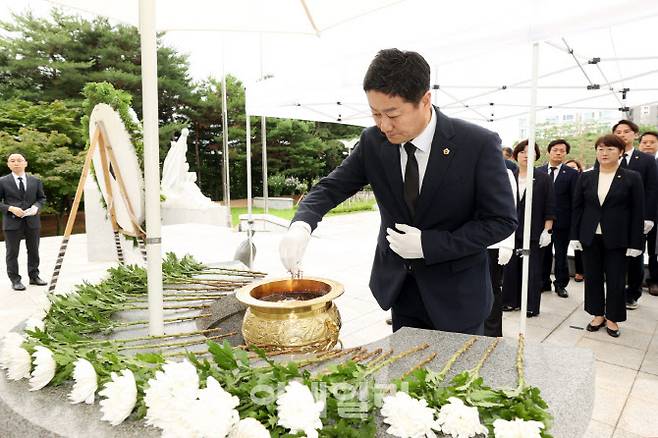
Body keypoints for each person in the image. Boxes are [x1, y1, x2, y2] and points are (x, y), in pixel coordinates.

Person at [279, 49, 517, 335]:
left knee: (457, 377)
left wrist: (430, 245)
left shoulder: (476, 144)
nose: (384, 125)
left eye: (392, 114)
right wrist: (302, 225)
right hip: (402, 289)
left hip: (458, 297)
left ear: (425, 100)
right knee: (407, 375)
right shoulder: (373, 142)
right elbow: (331, 187)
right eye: (375, 113)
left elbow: (501, 221)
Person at [571, 134, 644, 338]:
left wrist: (636, 242)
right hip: (590, 236)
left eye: (610, 149)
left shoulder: (632, 177)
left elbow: (638, 211)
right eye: (601, 148)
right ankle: (596, 314)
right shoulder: (586, 177)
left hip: (618, 237)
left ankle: (613, 317)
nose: (604, 153)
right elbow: (577, 208)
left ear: (620, 152)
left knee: (616, 279)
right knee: (592, 277)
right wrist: (574, 236)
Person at [502, 140, 555, 317]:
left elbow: (550, 206)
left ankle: (531, 305)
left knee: (532, 271)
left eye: (530, 152)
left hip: (533, 231)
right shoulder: (509, 176)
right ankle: (510, 301)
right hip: (511, 231)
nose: (526, 155)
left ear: (536, 156)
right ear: (516, 155)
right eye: (522, 152)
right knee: (510, 269)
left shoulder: (543, 178)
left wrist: (547, 230)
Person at [610, 120, 658, 309]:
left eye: (626, 131)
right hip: (614, 216)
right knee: (615, 255)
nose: (622, 135)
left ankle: (633, 294)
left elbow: (652, 190)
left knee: (636, 255)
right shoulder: (609, 156)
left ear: (635, 135)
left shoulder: (646, 159)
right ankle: (615, 292)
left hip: (638, 216)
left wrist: (649, 217)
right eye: (618, 132)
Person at [538, 139, 579, 298]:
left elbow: (575, 200)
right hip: (542, 222)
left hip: (563, 223)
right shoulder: (539, 171)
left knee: (561, 255)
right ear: (549, 152)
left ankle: (561, 284)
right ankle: (544, 282)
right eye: (555, 150)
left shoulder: (572, 174)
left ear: (566, 153)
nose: (558, 153)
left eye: (562, 150)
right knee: (544, 254)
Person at [0, 153, 47, 290]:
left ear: (25, 163)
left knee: (33, 250)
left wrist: (36, 207)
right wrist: (10, 208)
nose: (16, 163)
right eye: (12, 161)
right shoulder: (2, 181)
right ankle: (15, 280)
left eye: (19, 160)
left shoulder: (35, 181)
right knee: (12, 252)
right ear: (8, 164)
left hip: (32, 221)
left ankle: (34, 276)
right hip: (12, 222)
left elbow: (41, 198)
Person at [485, 168, 517, 337]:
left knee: (492, 288)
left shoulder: (505, 172)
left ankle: (492, 333)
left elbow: (510, 209)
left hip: (494, 242)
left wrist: (507, 244)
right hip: (463, 242)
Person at [638, 131, 658, 296]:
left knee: (654, 250)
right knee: (636, 249)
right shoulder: (635, 163)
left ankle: (654, 280)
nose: (648, 145)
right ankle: (634, 283)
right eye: (644, 142)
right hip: (637, 214)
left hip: (655, 215)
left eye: (652, 142)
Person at [565, 159, 585, 282]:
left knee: (579, 246)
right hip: (566, 217)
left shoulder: (583, 179)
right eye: (568, 168)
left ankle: (580, 271)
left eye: (573, 167)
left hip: (580, 217)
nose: (571, 170)